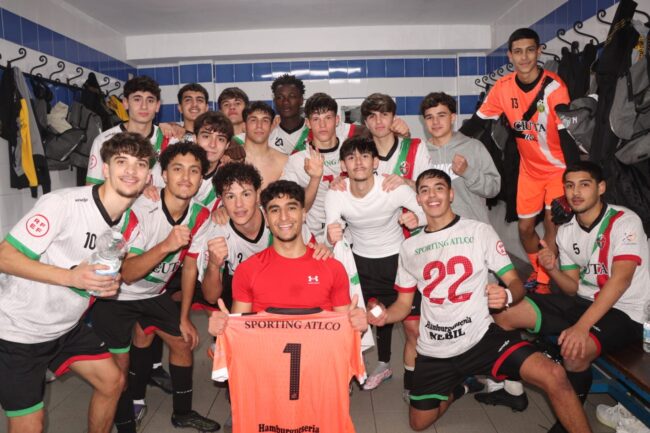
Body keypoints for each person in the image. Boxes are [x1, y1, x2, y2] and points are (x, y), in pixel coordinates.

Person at [368, 168, 592, 433]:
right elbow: (403, 306)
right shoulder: (409, 248)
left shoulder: (479, 231)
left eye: (439, 188)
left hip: (481, 339)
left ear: (451, 194)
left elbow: (516, 283)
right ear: (418, 199)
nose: (432, 195)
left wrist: (507, 296)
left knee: (554, 374)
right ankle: (461, 387)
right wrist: (384, 315)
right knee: (419, 423)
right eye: (424, 190)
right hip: (434, 351)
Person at [0, 132, 154, 433]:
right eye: (121, 161)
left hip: (65, 327)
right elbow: (5, 256)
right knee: (30, 423)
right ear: (105, 169)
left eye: (141, 164)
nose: (131, 171)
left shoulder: (131, 224)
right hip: (17, 331)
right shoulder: (63, 204)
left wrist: (109, 283)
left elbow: (104, 271)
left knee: (113, 381)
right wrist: (70, 276)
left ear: (148, 177)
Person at [491, 161, 650, 433]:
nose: (575, 192)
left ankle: (567, 424)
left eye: (584, 185)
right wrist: (552, 269)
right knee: (505, 313)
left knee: (574, 351)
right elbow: (571, 288)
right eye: (569, 185)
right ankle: (527, 378)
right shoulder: (567, 231)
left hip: (626, 311)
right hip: (583, 303)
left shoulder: (625, 221)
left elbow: (620, 282)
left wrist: (581, 327)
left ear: (601, 188)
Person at [91, 142, 220, 433]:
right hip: (116, 296)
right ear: (163, 175)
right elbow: (127, 273)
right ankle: (127, 422)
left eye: (194, 171)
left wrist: (184, 316)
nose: (185, 177)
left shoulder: (200, 215)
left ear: (201, 178)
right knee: (119, 370)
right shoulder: (141, 208)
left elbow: (190, 267)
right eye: (177, 169)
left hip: (154, 294)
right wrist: (166, 245)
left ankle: (182, 413)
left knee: (183, 341)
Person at [460, 28, 579, 295]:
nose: (524, 57)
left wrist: (571, 180)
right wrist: (449, 141)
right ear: (510, 56)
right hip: (529, 171)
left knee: (551, 227)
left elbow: (568, 138)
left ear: (539, 51)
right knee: (525, 229)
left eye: (529, 50)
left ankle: (544, 282)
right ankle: (538, 270)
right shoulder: (502, 88)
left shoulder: (555, 87)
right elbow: (478, 123)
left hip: (557, 170)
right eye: (518, 51)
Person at [325, 136, 425, 391]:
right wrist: (330, 235)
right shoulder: (336, 192)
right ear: (343, 165)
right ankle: (351, 371)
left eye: (365, 156)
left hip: (398, 263)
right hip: (361, 265)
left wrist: (418, 218)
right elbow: (331, 231)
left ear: (375, 162)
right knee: (355, 320)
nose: (358, 162)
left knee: (412, 328)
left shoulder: (391, 187)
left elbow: (427, 210)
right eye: (351, 157)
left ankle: (413, 385)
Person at [208, 179, 367, 327]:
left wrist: (355, 325)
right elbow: (240, 334)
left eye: (291, 208)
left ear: (304, 214)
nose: (284, 217)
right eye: (275, 210)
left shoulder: (333, 268)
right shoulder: (246, 270)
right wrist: (225, 328)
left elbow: (345, 334)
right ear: (266, 218)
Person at [421, 91, 500, 224]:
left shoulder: (474, 147)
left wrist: (468, 172)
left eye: (441, 115)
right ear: (425, 121)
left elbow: (494, 188)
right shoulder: (420, 152)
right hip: (436, 231)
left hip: (472, 229)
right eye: (429, 117)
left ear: (452, 118)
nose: (435, 122)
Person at [281, 92, 345, 242]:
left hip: (351, 234)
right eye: (316, 119)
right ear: (308, 123)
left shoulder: (353, 151)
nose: (322, 125)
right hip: (315, 237)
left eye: (328, 118)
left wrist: (348, 180)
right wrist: (314, 179)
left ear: (337, 120)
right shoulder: (297, 160)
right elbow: (295, 207)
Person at [86, 75, 170, 186]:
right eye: (137, 99)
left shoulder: (170, 138)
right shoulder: (104, 141)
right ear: (125, 103)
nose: (144, 106)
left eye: (150, 100)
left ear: (157, 105)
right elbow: (92, 187)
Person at [242, 101, 288, 189]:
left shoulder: (284, 162)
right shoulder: (230, 159)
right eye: (253, 120)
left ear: (271, 126)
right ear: (244, 126)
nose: (259, 126)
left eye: (265, 120)